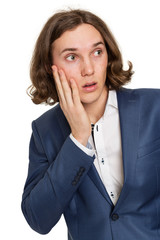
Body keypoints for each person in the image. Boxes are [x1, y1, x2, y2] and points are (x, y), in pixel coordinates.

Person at [21, 9, 160, 240]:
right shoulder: (44, 131)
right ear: (49, 66)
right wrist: (77, 139)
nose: (88, 69)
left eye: (97, 52)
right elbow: (38, 219)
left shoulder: (154, 107)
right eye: (72, 57)